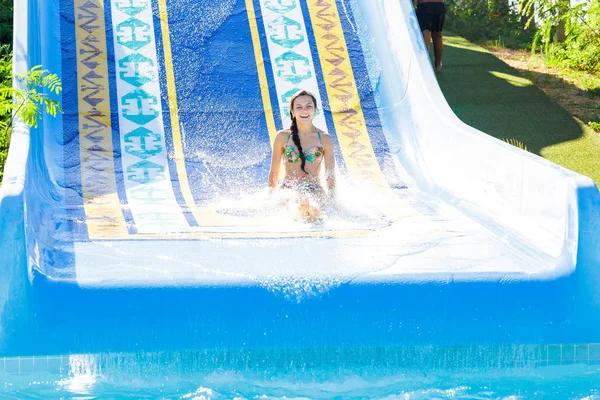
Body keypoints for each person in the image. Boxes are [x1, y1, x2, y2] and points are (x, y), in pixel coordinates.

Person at [267, 90, 336, 222]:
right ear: (292, 111)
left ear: (315, 110)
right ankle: (302, 209)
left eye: (308, 106)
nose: (304, 110)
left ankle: (308, 208)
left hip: (314, 188)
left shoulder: (325, 139)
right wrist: (270, 196)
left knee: (311, 202)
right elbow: (274, 171)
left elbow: (330, 173)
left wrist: (332, 199)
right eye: (299, 107)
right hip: (289, 187)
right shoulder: (283, 137)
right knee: (293, 200)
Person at [414, 0, 446, 71]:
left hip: (424, 6)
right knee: (438, 35)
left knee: (425, 34)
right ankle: (438, 66)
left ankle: (424, 65)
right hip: (440, 5)